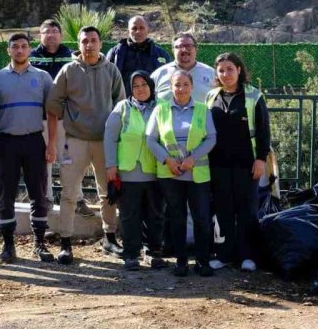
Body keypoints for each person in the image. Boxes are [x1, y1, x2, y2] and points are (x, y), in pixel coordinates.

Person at [46, 26, 126, 264]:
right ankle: (66, 242)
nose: (89, 45)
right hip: (76, 141)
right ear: (79, 45)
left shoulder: (111, 70)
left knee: (108, 192)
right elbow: (53, 101)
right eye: (84, 41)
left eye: (93, 41)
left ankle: (109, 238)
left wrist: (115, 135)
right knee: (69, 193)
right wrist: (72, 119)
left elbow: (120, 104)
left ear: (101, 44)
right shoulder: (68, 70)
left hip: (105, 142)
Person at [0, 33, 57, 264]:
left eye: (24, 46)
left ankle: (39, 244)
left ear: (30, 50)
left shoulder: (43, 77)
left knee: (38, 194)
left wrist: (52, 144)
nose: (19, 50)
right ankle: (8, 245)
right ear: (8, 50)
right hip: (6, 143)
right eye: (15, 47)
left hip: (35, 142)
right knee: (6, 195)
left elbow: (53, 114)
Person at [146, 70, 217, 277]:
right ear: (171, 87)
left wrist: (192, 158)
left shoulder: (203, 110)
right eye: (177, 85)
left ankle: (203, 261)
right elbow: (150, 139)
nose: (181, 89)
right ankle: (181, 261)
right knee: (176, 218)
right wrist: (168, 160)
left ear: (192, 87)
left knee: (201, 218)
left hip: (197, 173)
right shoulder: (161, 110)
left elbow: (211, 138)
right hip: (171, 174)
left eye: (185, 84)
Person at [206, 52, 271, 272]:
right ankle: (224, 254)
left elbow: (263, 131)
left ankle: (248, 256)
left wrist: (260, 159)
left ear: (239, 70)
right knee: (222, 209)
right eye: (221, 70)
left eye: (230, 69)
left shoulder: (254, 96)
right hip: (218, 164)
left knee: (247, 210)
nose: (226, 74)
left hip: (246, 164)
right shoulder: (211, 97)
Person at [103, 71, 167, 271]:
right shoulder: (122, 107)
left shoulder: (162, 108)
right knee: (130, 216)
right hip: (128, 171)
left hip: (156, 171)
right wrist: (111, 164)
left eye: (144, 84)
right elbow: (110, 137)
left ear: (151, 86)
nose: (140, 89)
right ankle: (131, 254)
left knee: (155, 214)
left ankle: (153, 251)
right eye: (136, 85)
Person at [29, 19, 92, 217]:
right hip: (40, 120)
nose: (51, 35)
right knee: (43, 161)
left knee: (69, 161)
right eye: (47, 31)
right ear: (40, 35)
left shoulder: (71, 57)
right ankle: (46, 200)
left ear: (61, 35)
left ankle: (78, 199)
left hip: (68, 120)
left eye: (55, 31)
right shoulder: (31, 57)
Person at [105, 16, 172, 91]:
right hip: (124, 100)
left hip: (154, 101)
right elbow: (106, 81)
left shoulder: (161, 54)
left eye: (141, 28)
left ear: (148, 30)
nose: (138, 31)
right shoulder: (115, 53)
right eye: (134, 28)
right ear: (128, 31)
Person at [151, 32, 215, 103]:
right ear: (173, 50)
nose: (184, 50)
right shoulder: (159, 74)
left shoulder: (211, 73)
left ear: (196, 49)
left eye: (189, 46)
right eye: (180, 46)